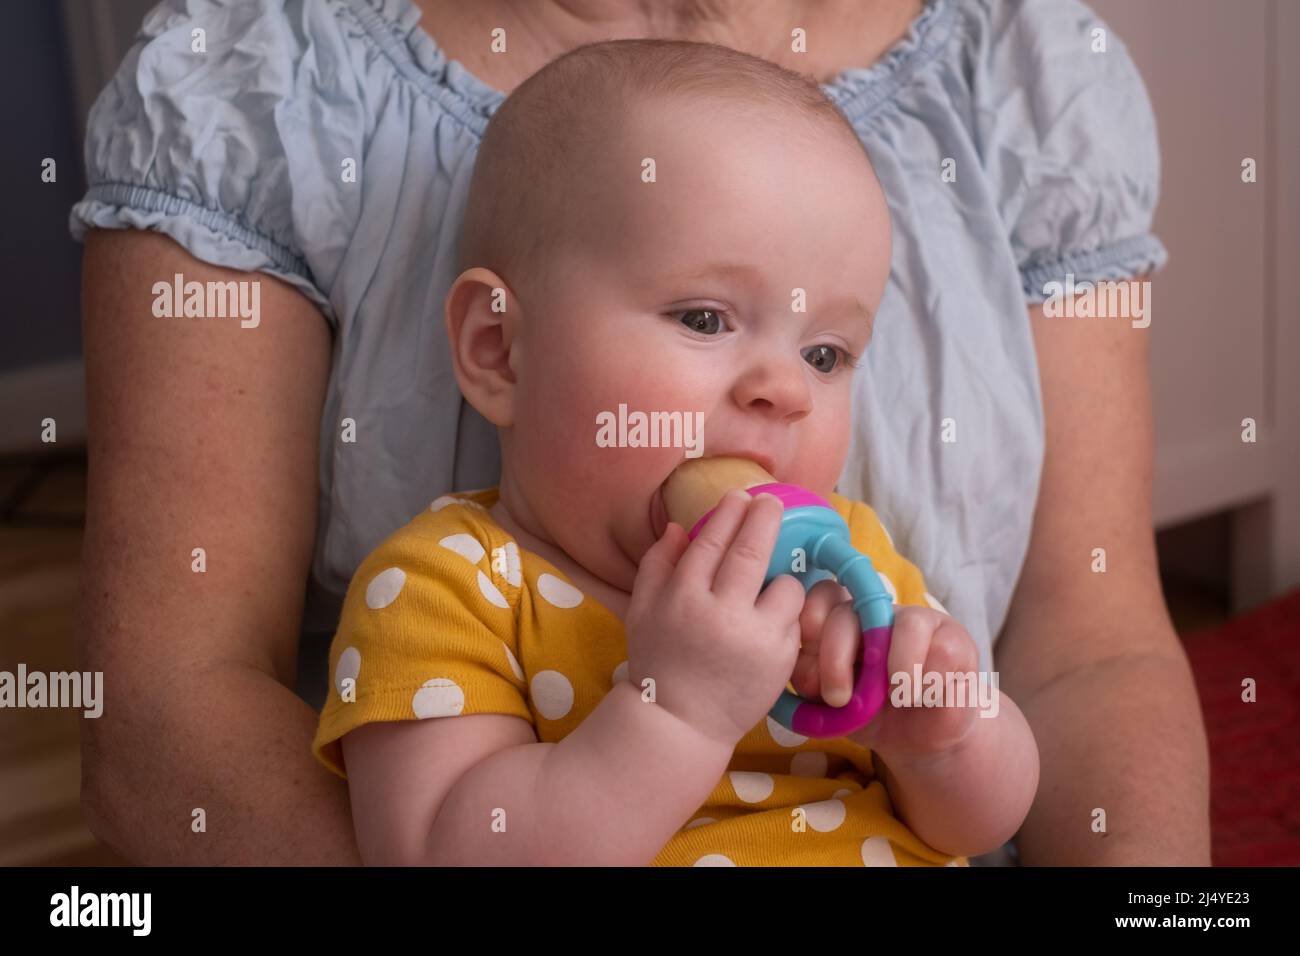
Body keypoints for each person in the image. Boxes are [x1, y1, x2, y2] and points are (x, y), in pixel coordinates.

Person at [70, 0, 1209, 865]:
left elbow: (990, 795)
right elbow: (459, 846)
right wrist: (674, 707)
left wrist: (953, 728)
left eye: (827, 354)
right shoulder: (442, 590)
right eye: (705, 319)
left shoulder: (850, 563)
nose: (785, 391)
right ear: (497, 350)